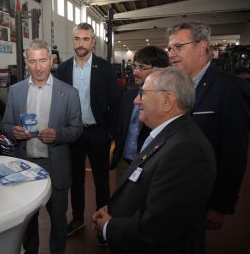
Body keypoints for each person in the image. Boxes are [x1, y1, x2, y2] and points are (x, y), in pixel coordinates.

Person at [92, 67, 216, 254]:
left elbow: (157, 227)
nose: (136, 100)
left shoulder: (186, 151)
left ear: (167, 100)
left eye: (143, 93)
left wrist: (109, 226)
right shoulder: (166, 134)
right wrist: (115, 210)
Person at [166, 20, 250, 230]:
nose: (171, 54)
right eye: (169, 48)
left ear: (202, 46)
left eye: (178, 46)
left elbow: (234, 153)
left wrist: (221, 205)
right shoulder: (173, 86)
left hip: (201, 193)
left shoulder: (230, 88)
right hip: (170, 188)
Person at [1, 39, 83, 254]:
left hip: (56, 166)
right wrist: (13, 131)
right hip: (25, 166)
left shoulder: (69, 93)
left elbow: (77, 129)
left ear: (52, 61)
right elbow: (6, 124)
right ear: (26, 63)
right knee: (28, 223)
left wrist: (58, 134)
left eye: (43, 61)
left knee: (58, 221)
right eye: (33, 61)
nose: (38, 67)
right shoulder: (15, 91)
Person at [56, 22, 121, 244]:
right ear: (72, 41)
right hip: (73, 133)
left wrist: (109, 132)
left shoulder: (105, 68)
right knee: (75, 180)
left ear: (93, 42)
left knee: (102, 181)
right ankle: (78, 219)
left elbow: (116, 102)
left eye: (86, 39)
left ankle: (103, 222)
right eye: (77, 39)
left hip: (98, 133)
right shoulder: (63, 69)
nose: (81, 43)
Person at [110, 46, 169, 183]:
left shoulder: (165, 101)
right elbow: (120, 127)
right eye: (134, 66)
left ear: (159, 70)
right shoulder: (128, 95)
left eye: (141, 67)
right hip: (124, 162)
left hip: (150, 164)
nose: (135, 72)